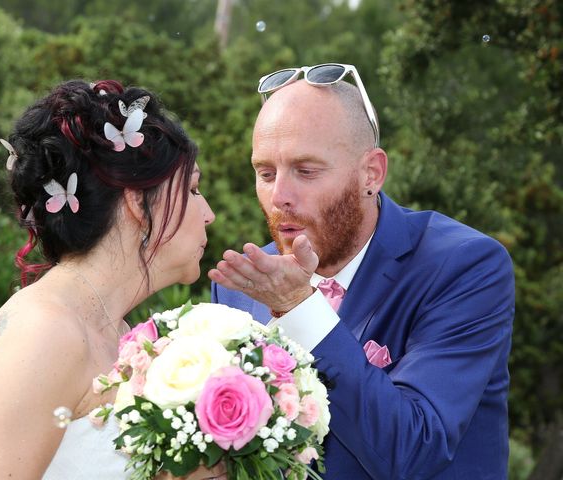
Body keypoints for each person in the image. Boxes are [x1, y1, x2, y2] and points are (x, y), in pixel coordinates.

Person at [209, 63, 514, 479]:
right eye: (265, 173)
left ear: (371, 173)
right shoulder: (242, 287)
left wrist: (301, 311)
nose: (279, 196)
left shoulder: (464, 267)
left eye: (306, 171)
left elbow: (412, 450)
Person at [0, 79, 225, 480]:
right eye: (193, 188)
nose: (209, 214)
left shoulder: (117, 331)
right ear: (138, 201)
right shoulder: (45, 334)